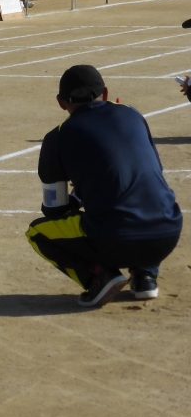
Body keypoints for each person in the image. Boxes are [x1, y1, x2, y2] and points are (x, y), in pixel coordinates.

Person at [27, 65, 182, 307]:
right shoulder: (133, 114)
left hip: (116, 238)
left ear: (61, 103)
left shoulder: (57, 136)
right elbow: (152, 173)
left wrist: (78, 195)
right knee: (144, 199)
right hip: (167, 231)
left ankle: (98, 276)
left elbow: (55, 209)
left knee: (37, 233)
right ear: (106, 93)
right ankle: (145, 276)